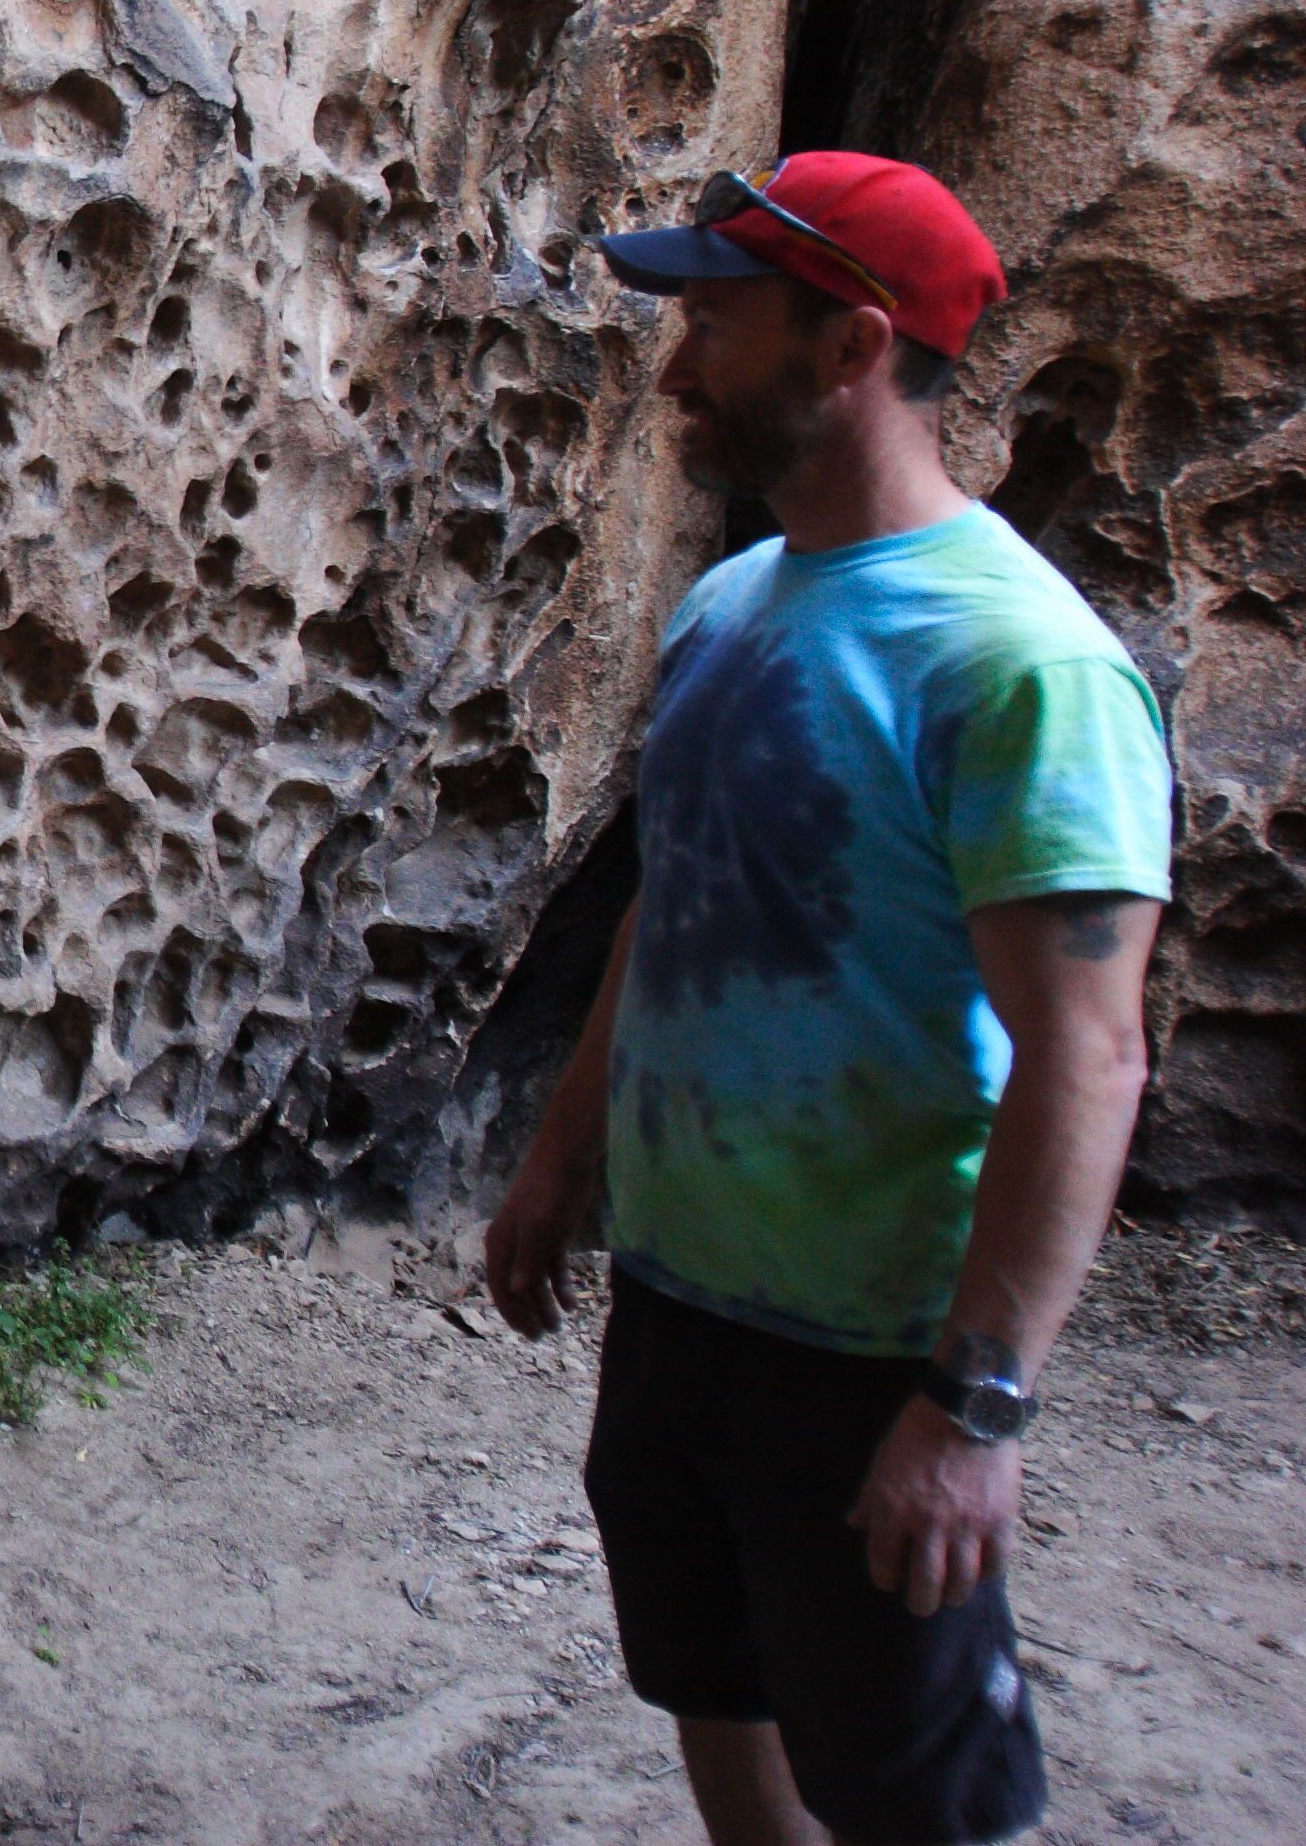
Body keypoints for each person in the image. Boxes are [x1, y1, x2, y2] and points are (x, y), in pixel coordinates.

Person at [484, 153, 1173, 1846]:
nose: (670, 367)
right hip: (683, 1299)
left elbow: (1086, 1053)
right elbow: (678, 903)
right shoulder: (733, 604)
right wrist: (562, 1157)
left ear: (848, 347)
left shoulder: (1016, 666)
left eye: (711, 323)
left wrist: (972, 1404)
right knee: (712, 1693)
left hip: (866, 1347)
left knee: (916, 1794)